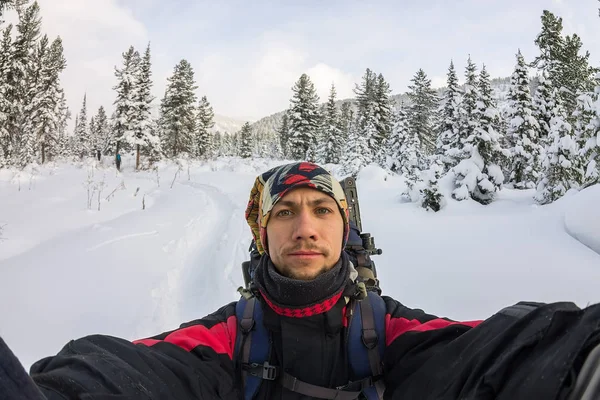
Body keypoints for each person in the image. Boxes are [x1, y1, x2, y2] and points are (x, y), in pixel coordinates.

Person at [1, 161, 600, 400]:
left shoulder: (385, 328)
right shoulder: (230, 336)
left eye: (322, 210)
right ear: (262, 235)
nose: (304, 227)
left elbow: (486, 352)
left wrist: (579, 362)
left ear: (346, 231)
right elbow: (133, 370)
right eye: (284, 212)